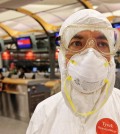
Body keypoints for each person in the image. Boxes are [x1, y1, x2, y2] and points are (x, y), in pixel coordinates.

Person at [26, 9, 120, 134]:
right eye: (77, 43)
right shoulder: (44, 112)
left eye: (102, 44)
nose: (90, 55)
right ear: (63, 55)